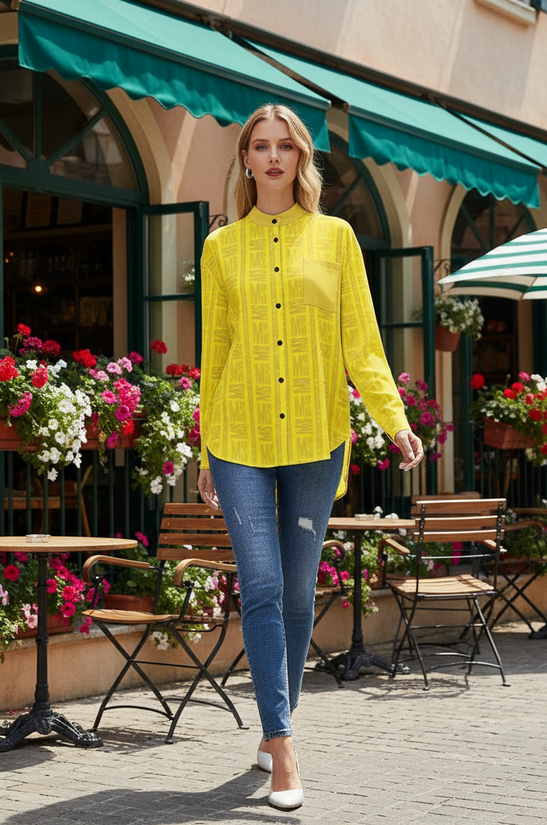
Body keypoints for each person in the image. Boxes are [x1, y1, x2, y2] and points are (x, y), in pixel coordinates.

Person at [197, 103, 423, 810]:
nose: (272, 158)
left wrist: (393, 417)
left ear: (300, 159)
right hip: (238, 436)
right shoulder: (221, 247)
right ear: (245, 160)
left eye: (284, 147)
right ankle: (284, 744)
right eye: (259, 147)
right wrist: (206, 447)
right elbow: (216, 351)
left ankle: (273, 728)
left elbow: (363, 339)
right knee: (261, 585)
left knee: (297, 593)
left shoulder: (337, 238)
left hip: (316, 438)